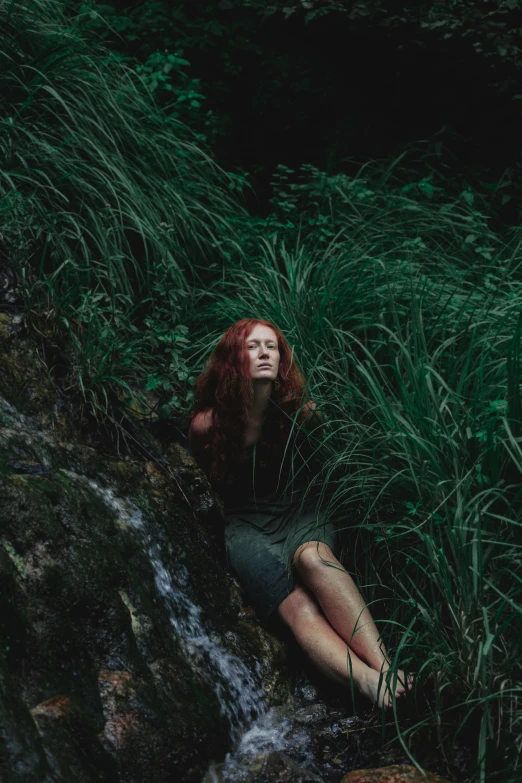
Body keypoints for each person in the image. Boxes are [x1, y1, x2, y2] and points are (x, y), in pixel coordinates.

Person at [188, 318, 411, 709]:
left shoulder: (302, 412)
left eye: (271, 347)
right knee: (297, 607)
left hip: (300, 509)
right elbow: (207, 477)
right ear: (233, 359)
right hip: (248, 527)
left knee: (313, 559)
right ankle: (368, 682)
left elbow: (328, 469)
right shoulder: (207, 426)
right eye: (252, 346)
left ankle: (389, 670)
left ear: (281, 358)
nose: (263, 354)